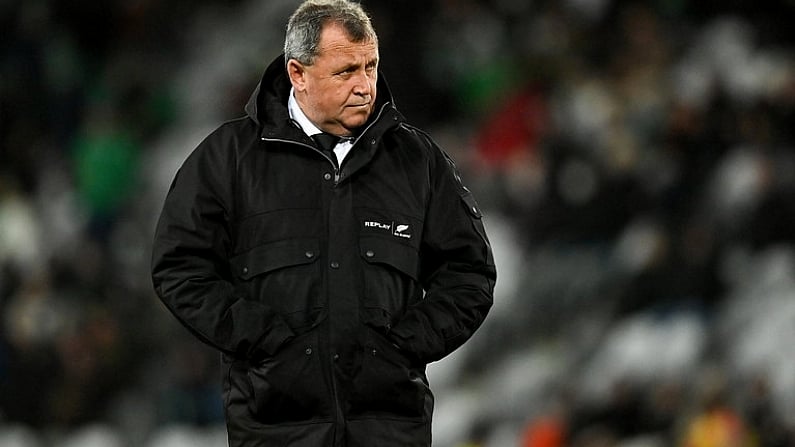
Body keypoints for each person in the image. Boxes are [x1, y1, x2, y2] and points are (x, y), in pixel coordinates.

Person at [150, 1, 496, 445]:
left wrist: (406, 346)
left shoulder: (418, 162)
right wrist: (261, 339)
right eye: (345, 71)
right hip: (275, 431)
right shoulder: (228, 160)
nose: (364, 86)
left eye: (370, 66)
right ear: (298, 73)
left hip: (389, 429)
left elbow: (470, 272)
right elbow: (178, 267)